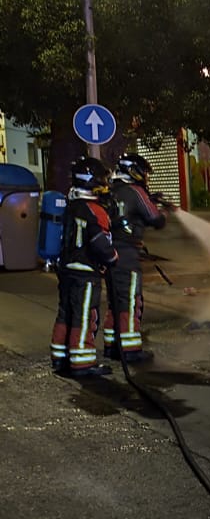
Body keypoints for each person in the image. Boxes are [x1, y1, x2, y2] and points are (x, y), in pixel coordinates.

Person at [51, 157, 119, 379]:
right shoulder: (94, 209)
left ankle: (60, 357)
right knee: (84, 316)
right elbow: (100, 242)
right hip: (85, 273)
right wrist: (112, 257)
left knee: (65, 313)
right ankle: (82, 362)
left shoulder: (71, 206)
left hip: (66, 270)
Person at [104, 152, 168, 363]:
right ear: (135, 172)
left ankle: (112, 346)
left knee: (116, 300)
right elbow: (155, 218)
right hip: (127, 255)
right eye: (144, 173)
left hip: (109, 253)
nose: (146, 177)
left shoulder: (110, 190)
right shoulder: (135, 191)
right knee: (131, 300)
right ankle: (130, 349)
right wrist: (162, 211)